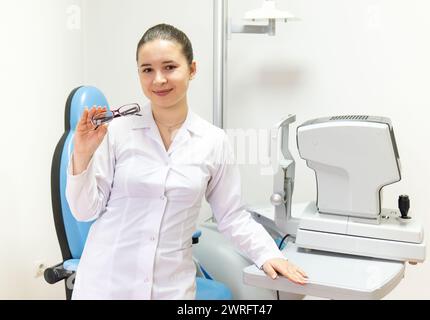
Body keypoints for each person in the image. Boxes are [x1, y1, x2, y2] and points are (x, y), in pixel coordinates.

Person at [66, 23, 308, 300]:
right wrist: (83, 153)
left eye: (169, 67)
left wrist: (268, 255)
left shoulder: (213, 141)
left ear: (192, 69)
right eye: (147, 70)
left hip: (171, 288)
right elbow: (84, 211)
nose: (158, 79)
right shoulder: (118, 132)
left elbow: (231, 216)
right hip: (106, 284)